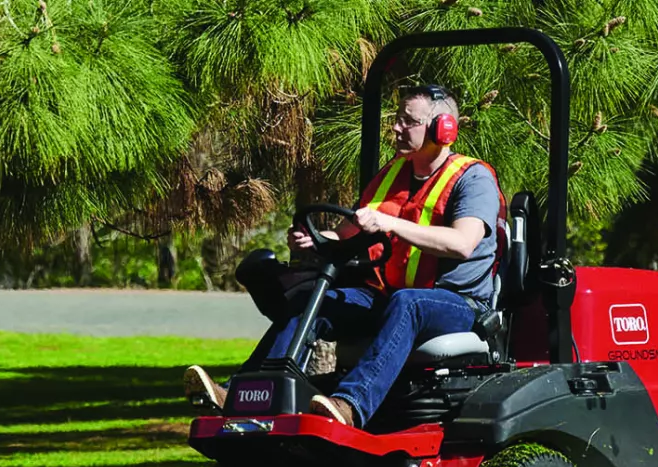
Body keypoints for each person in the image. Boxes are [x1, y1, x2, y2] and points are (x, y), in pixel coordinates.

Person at [185, 84, 503, 428]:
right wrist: (316, 239)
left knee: (409, 303)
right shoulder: (392, 174)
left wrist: (389, 223)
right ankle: (242, 394)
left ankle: (350, 405)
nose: (395, 127)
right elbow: (349, 232)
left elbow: (462, 242)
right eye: (396, 118)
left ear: (442, 129)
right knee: (314, 301)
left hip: (458, 304)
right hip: (388, 296)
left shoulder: (473, 179)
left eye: (407, 121)